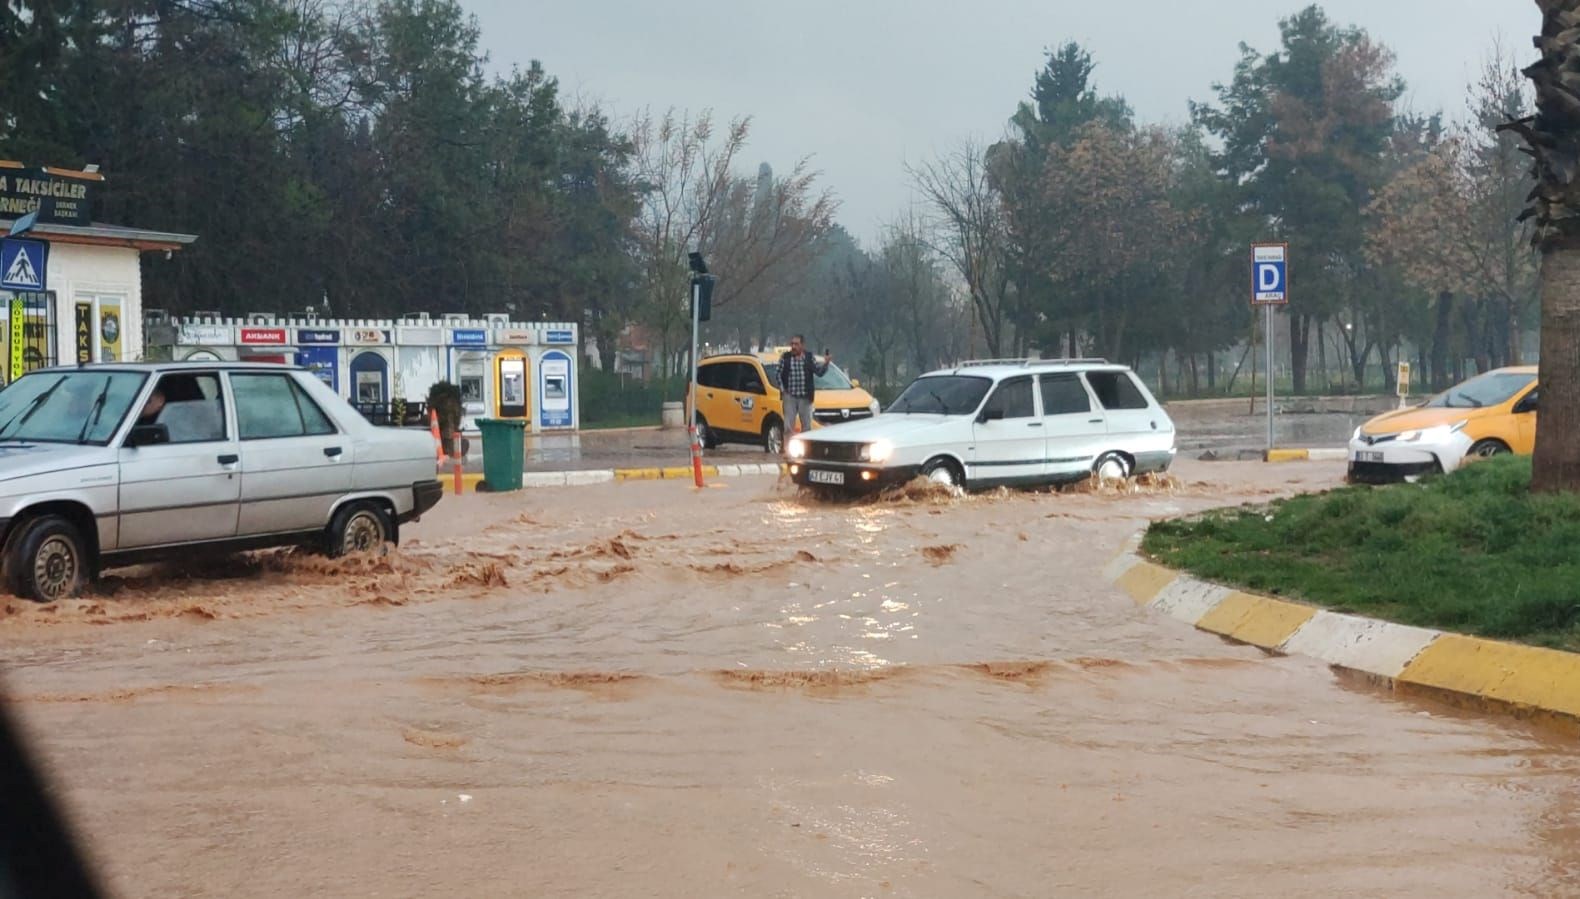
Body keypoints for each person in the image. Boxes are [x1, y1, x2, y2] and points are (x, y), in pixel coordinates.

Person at [777, 335, 829, 446]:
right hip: (789, 396)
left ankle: (806, 450)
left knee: (807, 426)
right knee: (788, 426)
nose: (794, 347)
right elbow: (778, 375)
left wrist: (826, 363)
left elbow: (819, 372)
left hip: (805, 397)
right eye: (792, 344)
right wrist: (783, 390)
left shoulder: (809, 357)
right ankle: (788, 450)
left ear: (802, 345)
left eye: (796, 344)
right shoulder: (785, 358)